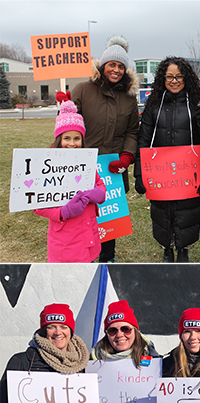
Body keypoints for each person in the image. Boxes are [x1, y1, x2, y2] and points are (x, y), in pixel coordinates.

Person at [134, 57, 200, 263]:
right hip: (159, 173)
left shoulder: (197, 104)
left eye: (179, 76)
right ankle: (167, 248)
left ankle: (183, 248)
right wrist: (139, 172)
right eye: (169, 77)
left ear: (186, 78)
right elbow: (144, 139)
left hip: (189, 171)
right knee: (162, 212)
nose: (174, 81)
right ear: (162, 78)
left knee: (188, 211)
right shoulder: (153, 104)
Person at [71, 35, 139, 263]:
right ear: (103, 65)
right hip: (83, 168)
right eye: (112, 64)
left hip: (112, 172)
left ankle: (108, 259)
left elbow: (132, 131)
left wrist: (127, 156)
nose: (116, 70)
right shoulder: (82, 90)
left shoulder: (129, 98)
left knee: (110, 218)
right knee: (84, 218)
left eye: (121, 66)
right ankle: (84, 260)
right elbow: (69, 128)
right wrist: (65, 107)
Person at [34, 97, 106, 263]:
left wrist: (97, 193)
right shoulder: (47, 165)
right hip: (64, 241)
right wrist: (62, 212)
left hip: (88, 236)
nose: (72, 144)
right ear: (59, 139)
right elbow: (37, 204)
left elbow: (100, 186)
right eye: (67, 138)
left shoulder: (86, 162)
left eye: (77, 138)